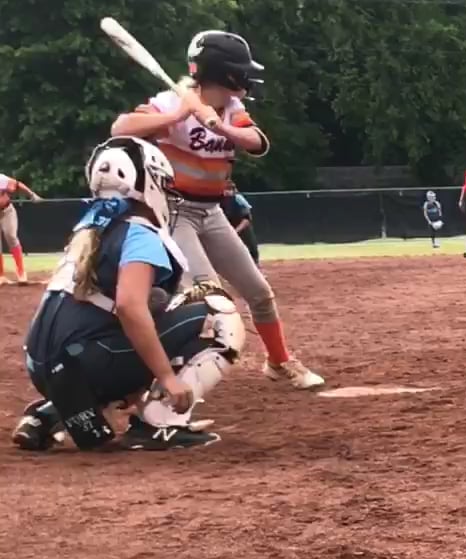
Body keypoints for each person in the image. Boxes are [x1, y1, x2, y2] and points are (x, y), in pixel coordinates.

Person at [111, 30, 324, 390]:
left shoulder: (232, 109)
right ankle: (174, 378)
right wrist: (178, 116)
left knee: (259, 293)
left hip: (212, 212)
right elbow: (121, 128)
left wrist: (219, 125)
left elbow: (256, 142)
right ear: (222, 72)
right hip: (175, 212)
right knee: (210, 300)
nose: (246, 77)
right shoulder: (170, 102)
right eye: (240, 70)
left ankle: (278, 362)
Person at [12, 137, 245, 453]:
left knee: (143, 323)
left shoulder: (92, 227)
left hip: (45, 366)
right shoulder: (138, 232)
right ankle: (160, 424)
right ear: (146, 183)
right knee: (218, 313)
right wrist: (166, 377)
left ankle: (48, 415)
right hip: (83, 362)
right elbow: (129, 307)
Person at [0, 168, 44, 285]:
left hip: (6, 211)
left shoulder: (1, 179)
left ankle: (21, 272)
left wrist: (32, 195)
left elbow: (17, 184)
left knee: (11, 236)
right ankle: (1, 275)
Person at [222, 184, 259, 265]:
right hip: (228, 226)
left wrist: (236, 231)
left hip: (242, 226)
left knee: (251, 246)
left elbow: (246, 219)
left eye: (229, 189)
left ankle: (255, 265)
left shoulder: (238, 198)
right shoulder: (220, 201)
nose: (227, 192)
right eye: (225, 189)